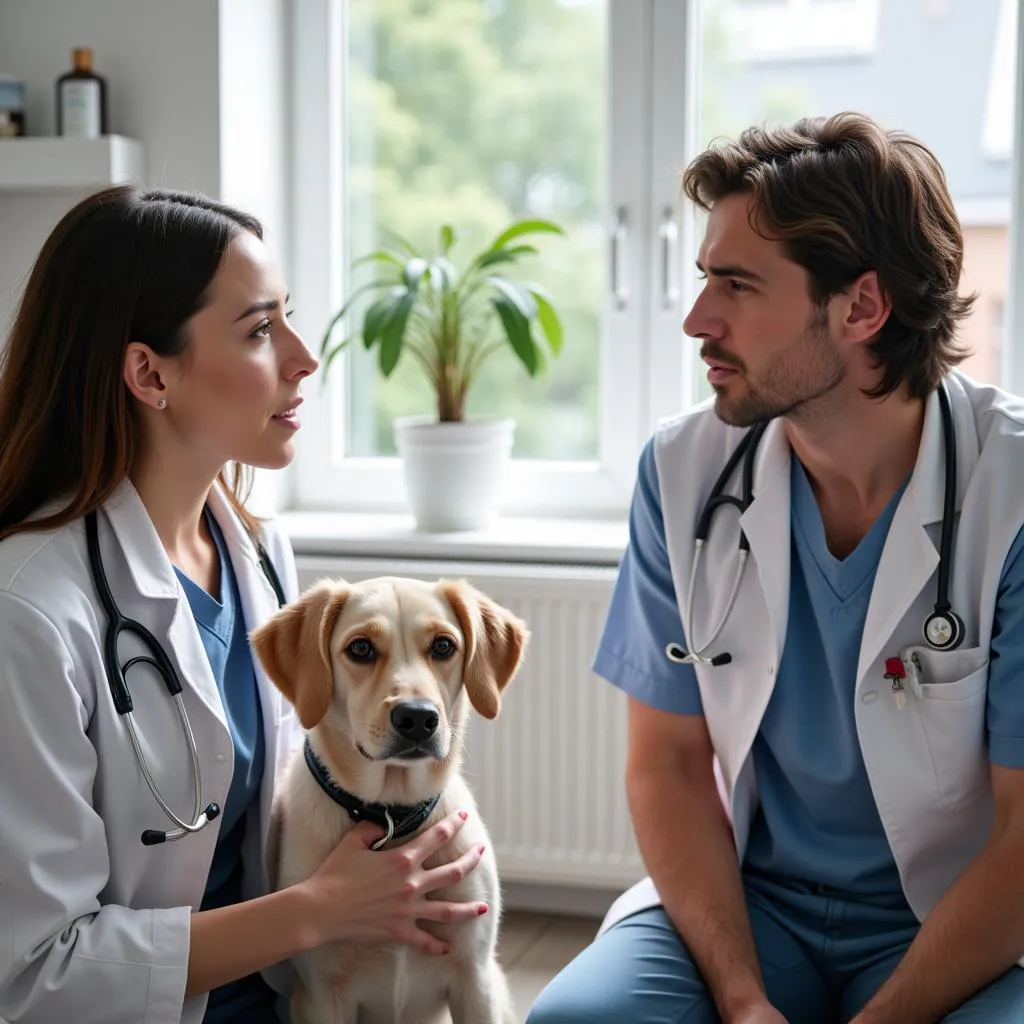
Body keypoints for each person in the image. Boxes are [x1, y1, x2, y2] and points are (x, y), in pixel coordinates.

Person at [527, 112, 1024, 1023]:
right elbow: (668, 768)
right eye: (702, 278)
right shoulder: (683, 473)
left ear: (862, 308)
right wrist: (743, 998)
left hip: (966, 923)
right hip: (757, 908)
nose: (695, 320)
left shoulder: (1013, 490)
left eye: (737, 285)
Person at [0, 186, 489, 1024]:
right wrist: (321, 910)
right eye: (262, 330)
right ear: (150, 372)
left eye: (288, 319)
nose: (305, 357)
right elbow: (37, 974)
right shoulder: (28, 612)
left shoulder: (259, 553)